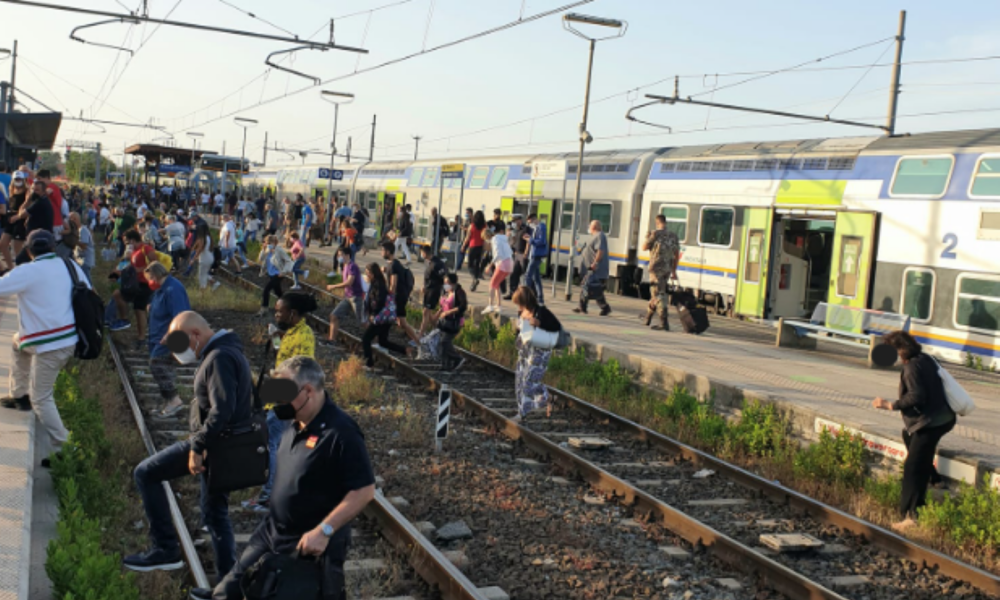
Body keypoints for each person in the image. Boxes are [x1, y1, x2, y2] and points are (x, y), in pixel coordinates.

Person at [190, 356, 375, 600]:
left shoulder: (341, 432)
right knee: (229, 589)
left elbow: (364, 490)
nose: (279, 401)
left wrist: (325, 530)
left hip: (309, 543)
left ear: (308, 391)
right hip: (271, 530)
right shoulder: (293, 423)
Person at [125, 311, 252, 575]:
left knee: (146, 473)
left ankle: (166, 549)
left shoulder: (220, 358)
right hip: (221, 444)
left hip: (215, 445)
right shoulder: (224, 351)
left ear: (196, 335)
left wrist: (197, 447)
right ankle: (228, 585)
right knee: (214, 515)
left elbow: (222, 410)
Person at [0, 231, 89, 467]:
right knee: (17, 343)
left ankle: (67, 449)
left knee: (41, 397)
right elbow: (88, 291)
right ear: (53, 247)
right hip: (67, 338)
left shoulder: (27, 271)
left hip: (49, 345)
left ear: (28, 251)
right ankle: (19, 394)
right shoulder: (70, 266)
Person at [872, 331, 956, 533]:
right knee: (908, 435)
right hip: (942, 417)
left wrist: (890, 405)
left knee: (912, 468)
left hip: (930, 423)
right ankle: (935, 478)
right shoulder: (925, 359)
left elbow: (916, 396)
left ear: (899, 351)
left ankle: (911, 516)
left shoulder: (911, 368)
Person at [243, 291, 319, 514]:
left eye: (279, 311)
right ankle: (271, 493)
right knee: (274, 445)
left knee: (271, 445)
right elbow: (282, 356)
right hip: (278, 396)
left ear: (292, 313)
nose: (276, 314)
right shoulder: (292, 332)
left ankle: (268, 496)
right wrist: (276, 338)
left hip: (287, 400)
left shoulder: (304, 336)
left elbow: (303, 371)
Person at [143, 262, 191, 418]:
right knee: (162, 367)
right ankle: (169, 403)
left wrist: (171, 335)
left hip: (167, 338)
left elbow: (181, 315)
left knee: (157, 364)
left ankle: (174, 401)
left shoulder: (173, 289)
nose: (150, 281)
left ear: (156, 275)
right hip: (157, 336)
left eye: (150, 278)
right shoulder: (161, 290)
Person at [512, 286, 560, 421]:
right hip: (524, 352)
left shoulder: (541, 312)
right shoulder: (520, 313)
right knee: (520, 382)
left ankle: (523, 413)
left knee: (529, 382)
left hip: (539, 353)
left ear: (525, 301)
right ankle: (543, 400)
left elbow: (556, 327)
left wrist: (539, 323)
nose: (518, 307)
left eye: (519, 303)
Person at [109, 229, 158, 342]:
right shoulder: (134, 251)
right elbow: (128, 266)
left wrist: (138, 270)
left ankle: (141, 336)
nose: (125, 243)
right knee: (119, 296)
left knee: (139, 310)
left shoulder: (146, 249)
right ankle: (126, 321)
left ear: (132, 239)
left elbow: (155, 265)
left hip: (145, 284)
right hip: (135, 283)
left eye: (126, 241)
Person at [417, 272, 467, 372]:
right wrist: (437, 314)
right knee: (441, 342)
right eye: (444, 282)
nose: (445, 285)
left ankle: (457, 358)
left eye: (447, 282)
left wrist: (449, 312)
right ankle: (445, 365)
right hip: (444, 322)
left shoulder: (459, 292)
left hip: (454, 322)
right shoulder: (446, 292)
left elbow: (463, 306)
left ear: (453, 283)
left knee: (445, 341)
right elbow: (443, 305)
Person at [361, 262, 407, 368]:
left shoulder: (379, 285)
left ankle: (369, 364)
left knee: (366, 339)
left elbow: (379, 301)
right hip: (385, 318)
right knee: (383, 342)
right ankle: (404, 350)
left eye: (368, 273)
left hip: (380, 318)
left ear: (373, 273)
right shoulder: (376, 283)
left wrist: (373, 314)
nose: (366, 275)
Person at [641, 215, 680, 331]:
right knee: (656, 293)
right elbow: (676, 254)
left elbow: (644, 247)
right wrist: (673, 270)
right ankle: (647, 318)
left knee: (659, 294)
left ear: (657, 223)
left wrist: (647, 237)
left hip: (655, 269)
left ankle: (664, 323)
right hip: (667, 269)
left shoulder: (655, 234)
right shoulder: (673, 236)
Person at [381, 242, 419, 346]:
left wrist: (388, 298)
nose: (381, 253)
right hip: (399, 297)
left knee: (398, 321)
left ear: (388, 252)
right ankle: (417, 340)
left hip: (398, 297)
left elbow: (393, 284)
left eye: (383, 250)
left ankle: (418, 342)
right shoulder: (393, 263)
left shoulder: (394, 265)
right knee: (401, 322)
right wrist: (384, 270)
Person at [326, 245, 365, 344]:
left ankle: (377, 341)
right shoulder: (345, 266)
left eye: (341, 255)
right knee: (334, 316)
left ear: (347, 255)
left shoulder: (352, 266)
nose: (339, 257)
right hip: (348, 297)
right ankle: (332, 340)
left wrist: (333, 286)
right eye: (338, 255)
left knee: (363, 322)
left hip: (356, 297)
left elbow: (349, 282)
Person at [574, 220, 612, 316]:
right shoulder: (594, 236)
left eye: (589, 225)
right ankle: (582, 307)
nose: (588, 227)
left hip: (595, 269)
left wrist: (595, 263)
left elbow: (600, 251)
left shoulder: (600, 236)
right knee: (588, 287)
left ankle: (604, 307)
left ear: (594, 227)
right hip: (589, 268)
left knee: (594, 288)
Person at [257, 234, 293, 315]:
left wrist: (284, 272)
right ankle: (289, 305)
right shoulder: (266, 250)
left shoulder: (279, 250)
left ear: (275, 243)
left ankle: (264, 308)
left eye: (271, 243)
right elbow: (260, 259)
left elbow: (289, 261)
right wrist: (263, 249)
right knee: (278, 292)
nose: (269, 244)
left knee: (266, 290)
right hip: (271, 274)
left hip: (278, 274)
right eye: (267, 242)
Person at [0, 171, 29, 267]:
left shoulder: (26, 191)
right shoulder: (11, 190)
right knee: (3, 244)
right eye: (16, 179)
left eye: (20, 179)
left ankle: (21, 269)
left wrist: (18, 216)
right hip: (10, 218)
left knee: (17, 249)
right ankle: (11, 267)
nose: (18, 181)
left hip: (20, 219)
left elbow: (27, 206)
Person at [482, 229, 513, 314]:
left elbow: (498, 254)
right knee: (496, 284)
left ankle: (490, 305)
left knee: (492, 284)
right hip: (509, 263)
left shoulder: (494, 240)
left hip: (502, 263)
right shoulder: (501, 238)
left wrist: (489, 265)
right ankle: (498, 305)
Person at [523, 213, 547, 306]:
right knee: (536, 278)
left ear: (534, 219)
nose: (530, 224)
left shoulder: (541, 227)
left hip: (537, 255)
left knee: (528, 276)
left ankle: (526, 297)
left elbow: (541, 241)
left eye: (530, 222)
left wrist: (530, 240)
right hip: (533, 254)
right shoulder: (536, 228)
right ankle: (540, 299)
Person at [504, 215, 528, 300]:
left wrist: (526, 252)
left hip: (523, 255)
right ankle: (512, 293)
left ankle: (527, 296)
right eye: (513, 221)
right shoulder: (515, 230)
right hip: (516, 254)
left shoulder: (525, 229)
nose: (514, 222)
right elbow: (514, 241)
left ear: (520, 220)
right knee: (514, 274)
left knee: (525, 275)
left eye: (515, 221)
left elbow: (528, 242)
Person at [192, 222, 220, 291]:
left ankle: (202, 293)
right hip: (210, 258)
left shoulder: (202, 238)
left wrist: (193, 259)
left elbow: (199, 250)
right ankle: (215, 283)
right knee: (204, 274)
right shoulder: (209, 237)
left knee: (201, 277)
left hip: (204, 259)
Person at [463, 210, 486, 292]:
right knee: (477, 265)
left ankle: (474, 278)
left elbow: (467, 237)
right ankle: (474, 282)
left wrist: (463, 246)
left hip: (472, 247)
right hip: (480, 248)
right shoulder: (484, 226)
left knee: (470, 266)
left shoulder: (472, 226)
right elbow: (486, 237)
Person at [70, 212, 95, 282]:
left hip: (85, 261)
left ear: (74, 220)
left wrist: (74, 239)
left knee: (87, 282)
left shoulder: (83, 230)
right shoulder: (79, 230)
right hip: (81, 260)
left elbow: (84, 246)